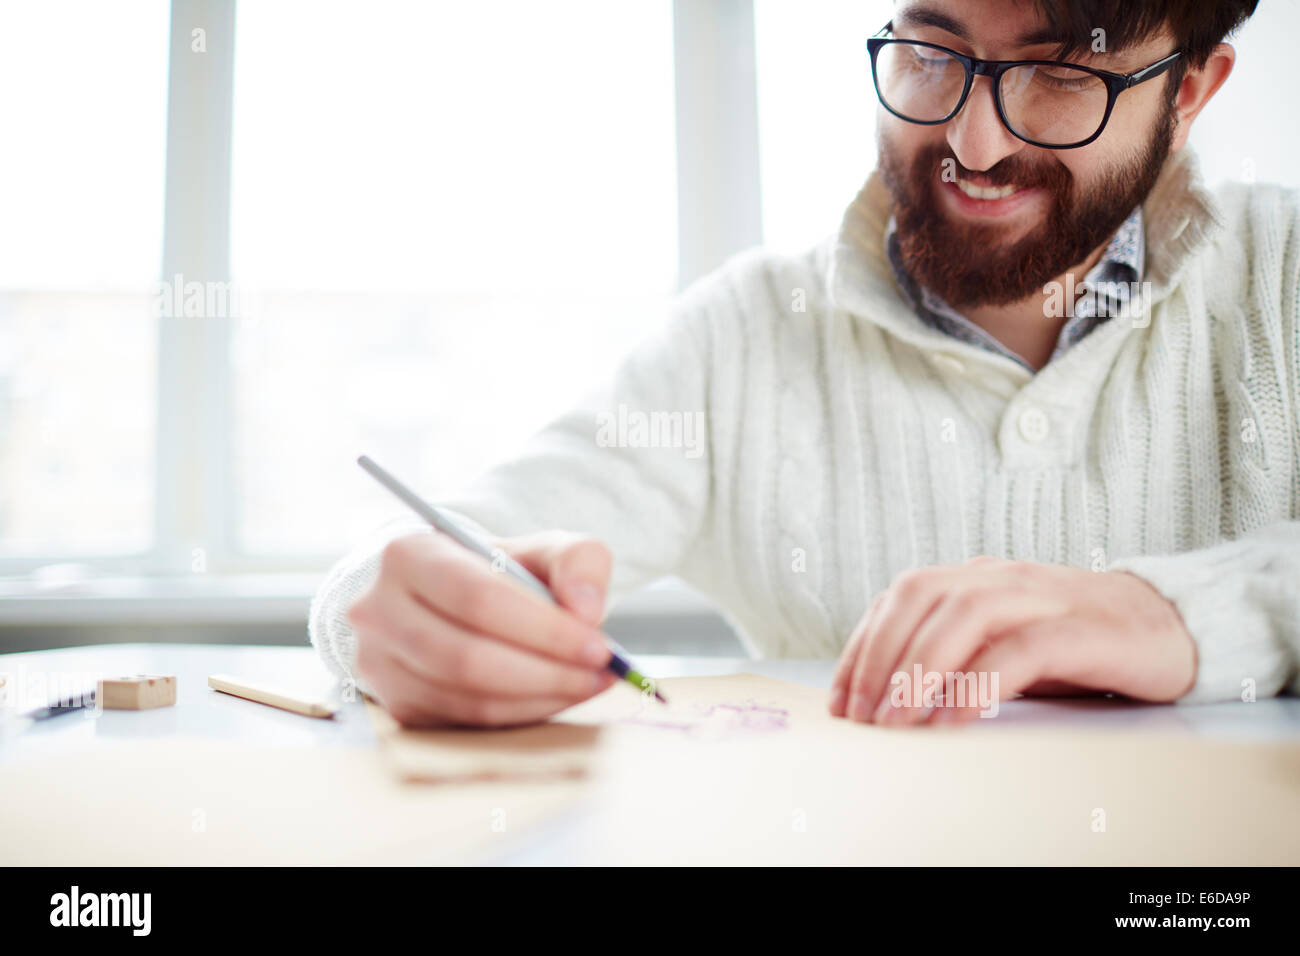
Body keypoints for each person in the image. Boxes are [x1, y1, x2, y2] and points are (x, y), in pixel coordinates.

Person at [311, 0, 1298, 728]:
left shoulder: (1282, 279)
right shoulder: (746, 333)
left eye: (1060, 76)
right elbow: (422, 559)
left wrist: (1172, 611)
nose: (971, 141)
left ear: (1190, 92)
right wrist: (391, 616)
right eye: (928, 52)